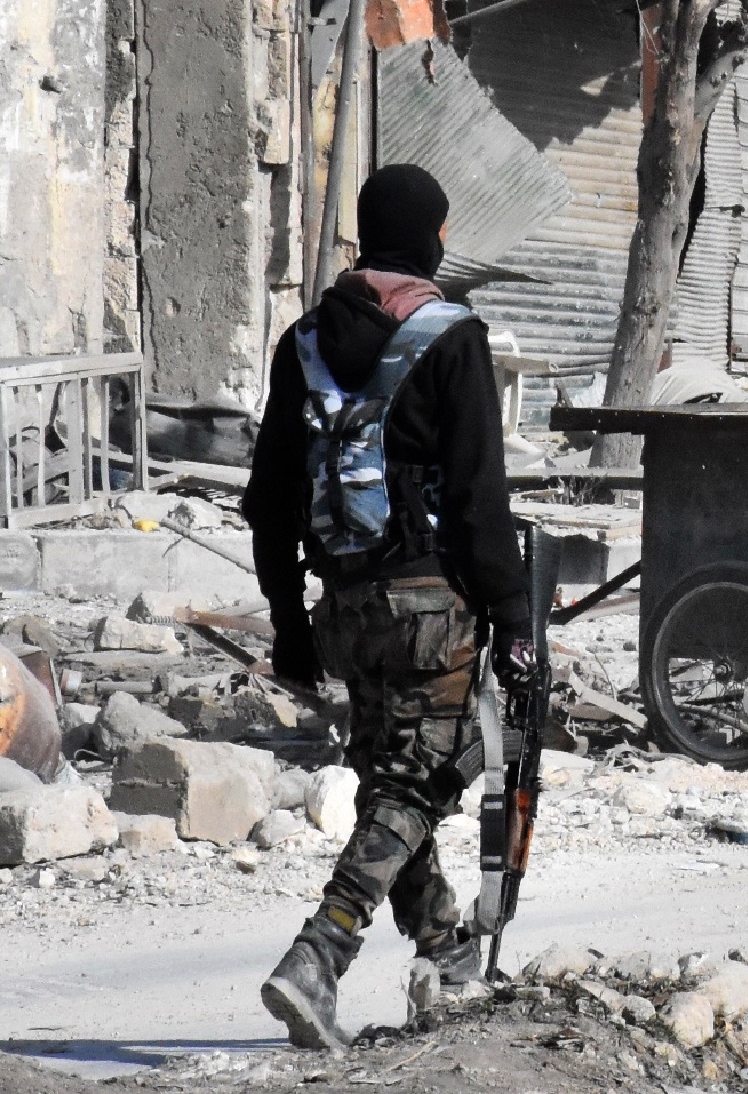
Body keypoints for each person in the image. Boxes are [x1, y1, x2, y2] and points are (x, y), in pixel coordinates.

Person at [242, 165, 533, 1048]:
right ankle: (318, 956)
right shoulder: (453, 336)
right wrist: (516, 619)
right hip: (432, 607)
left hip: (345, 605)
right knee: (423, 779)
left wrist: (292, 625)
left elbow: (270, 499)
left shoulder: (303, 340)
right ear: (431, 238)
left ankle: (447, 957)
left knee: (387, 784)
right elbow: (481, 502)